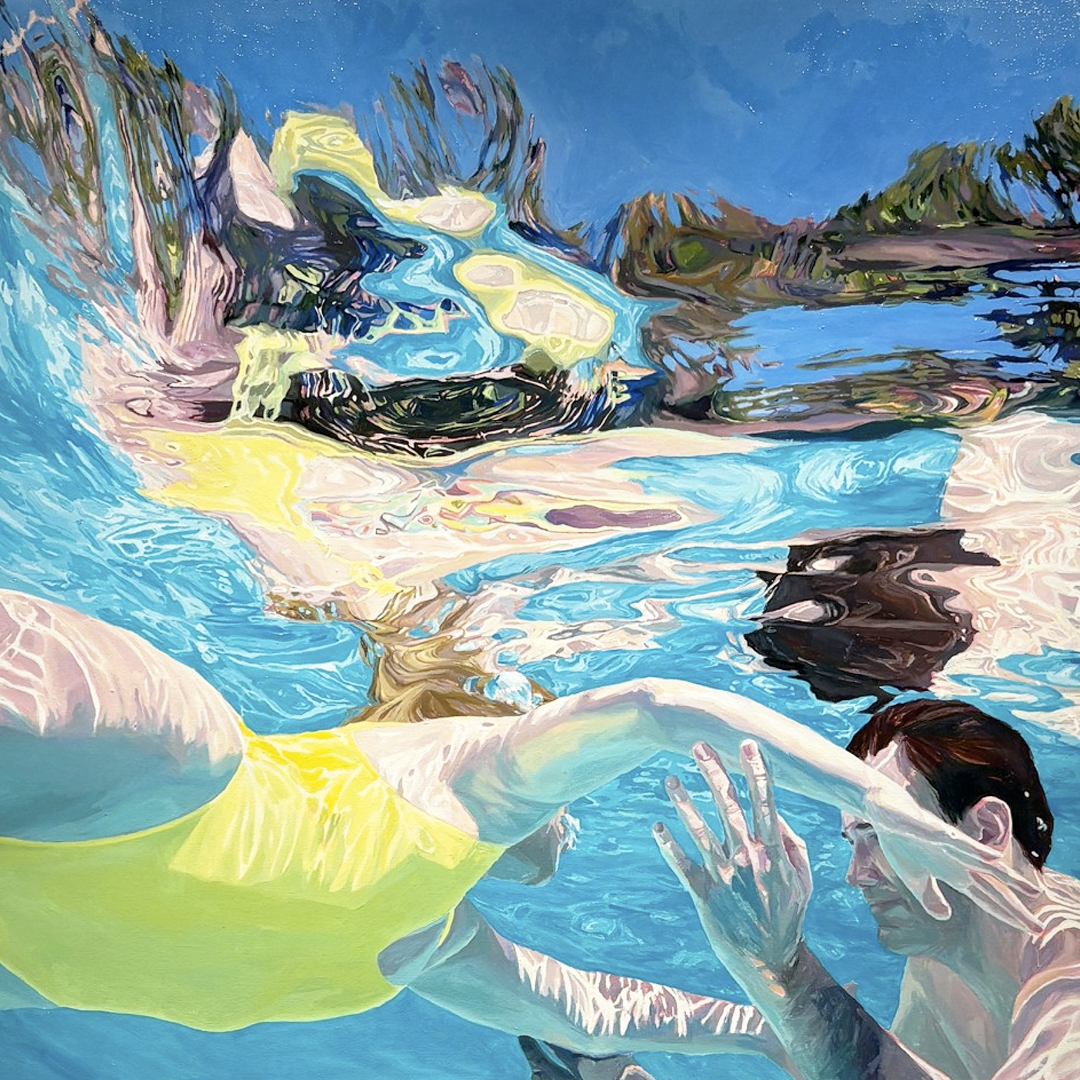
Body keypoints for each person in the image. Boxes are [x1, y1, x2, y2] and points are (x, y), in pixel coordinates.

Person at [0, 590, 1016, 1069]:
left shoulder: (425, 939)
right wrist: (893, 811)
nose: (568, 830)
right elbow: (659, 708)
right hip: (168, 784)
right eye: (564, 808)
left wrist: (766, 1030)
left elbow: (597, 1016)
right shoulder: (458, 786)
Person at [654, 698, 1080, 1080]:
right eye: (852, 842)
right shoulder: (945, 958)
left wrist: (784, 969)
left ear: (986, 831)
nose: (856, 875)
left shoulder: (1071, 974)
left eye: (878, 833)